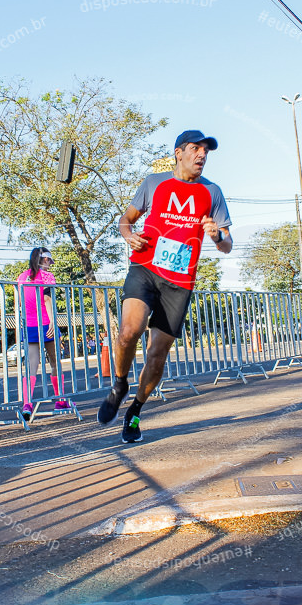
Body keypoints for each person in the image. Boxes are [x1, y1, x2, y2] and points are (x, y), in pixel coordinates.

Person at [97, 130, 232, 443]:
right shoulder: (153, 183)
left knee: (157, 355)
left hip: (180, 281)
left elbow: (227, 245)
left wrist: (215, 236)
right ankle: (119, 384)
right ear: (178, 153)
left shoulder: (212, 192)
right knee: (129, 331)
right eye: (195, 149)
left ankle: (135, 411)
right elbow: (125, 220)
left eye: (206, 152)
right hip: (144, 267)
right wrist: (128, 234)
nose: (201, 156)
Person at [16, 246, 73, 418]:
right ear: (45, 260)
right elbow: (47, 298)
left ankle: (27, 404)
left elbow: (20, 301)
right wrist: (53, 322)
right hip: (45, 322)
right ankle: (60, 399)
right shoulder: (47, 276)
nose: (50, 266)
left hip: (29, 324)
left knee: (32, 365)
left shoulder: (22, 276)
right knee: (55, 362)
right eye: (50, 261)